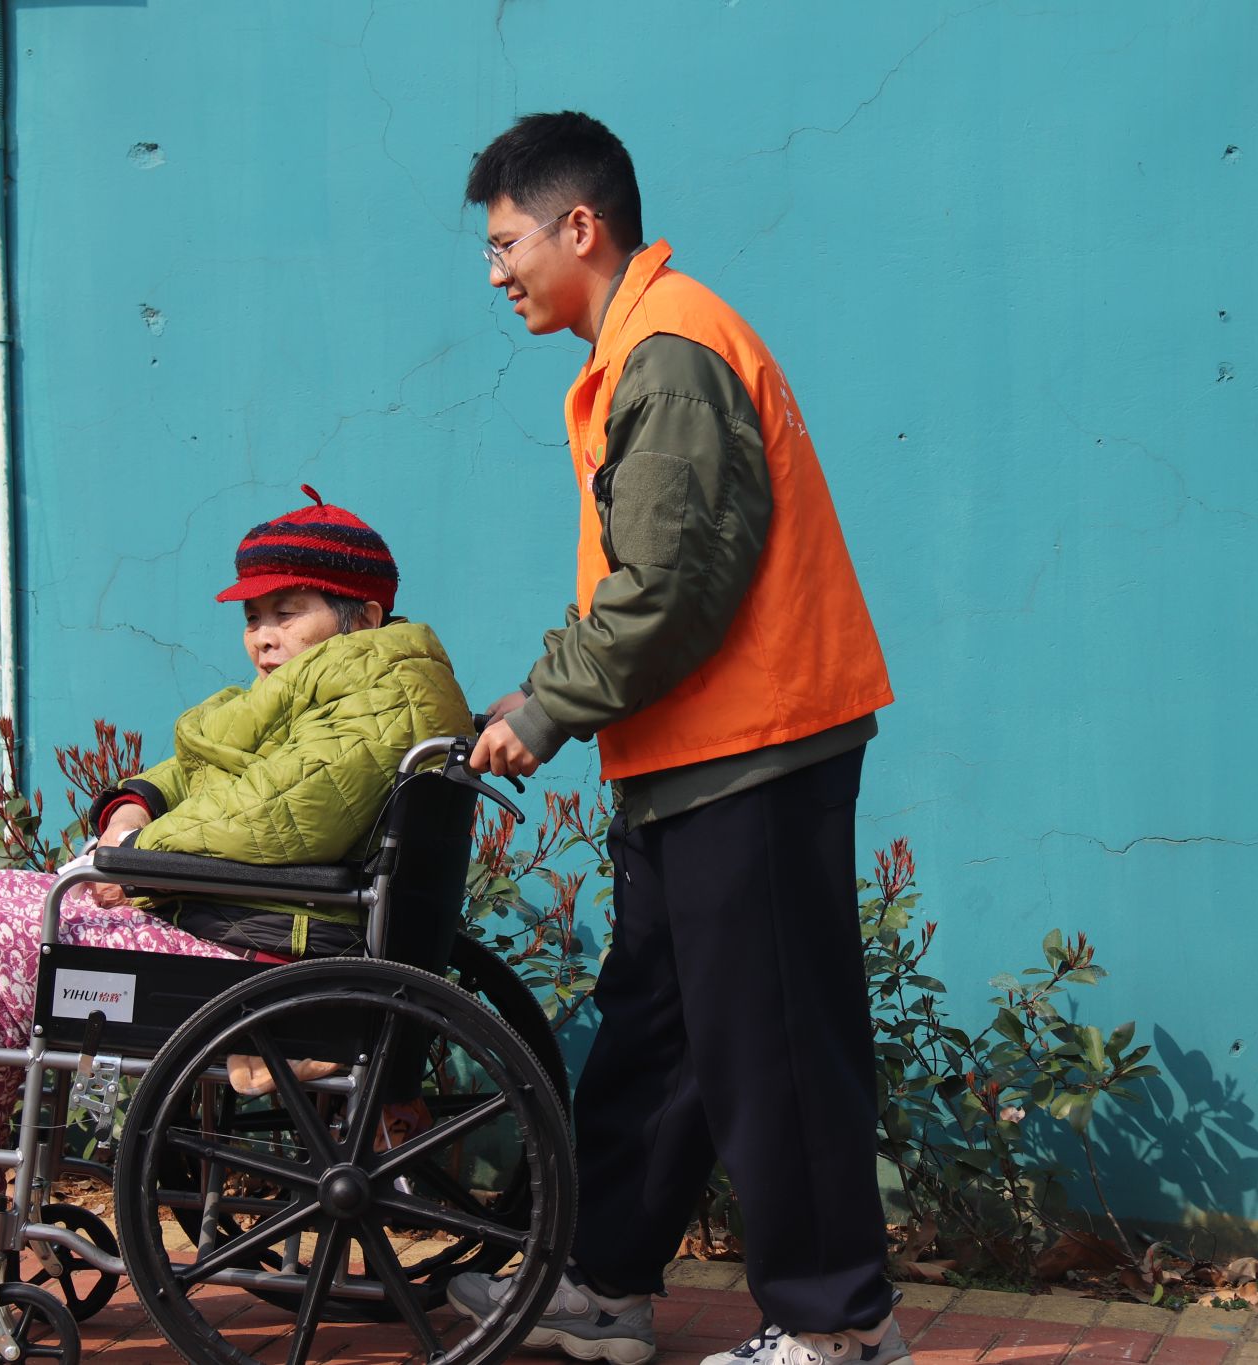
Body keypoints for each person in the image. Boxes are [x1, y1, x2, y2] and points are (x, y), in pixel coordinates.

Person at [444, 113, 904, 1365]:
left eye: (505, 244)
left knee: (773, 1046)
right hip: (688, 757)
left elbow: (668, 589)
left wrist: (545, 711)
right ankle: (603, 1284)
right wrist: (537, 691)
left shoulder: (672, 352)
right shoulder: (638, 350)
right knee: (661, 1032)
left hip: (752, 751)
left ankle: (839, 1327)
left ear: (578, 227)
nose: (495, 273)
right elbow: (643, 583)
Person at [0, 488, 471, 1261]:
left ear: (361, 615)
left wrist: (137, 859)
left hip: (266, 961)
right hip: (254, 936)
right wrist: (138, 802)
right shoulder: (357, 683)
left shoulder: (382, 696)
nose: (263, 636)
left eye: (286, 611)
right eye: (252, 617)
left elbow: (282, 811)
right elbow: (217, 774)